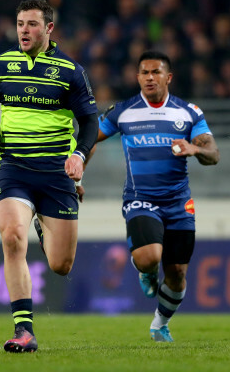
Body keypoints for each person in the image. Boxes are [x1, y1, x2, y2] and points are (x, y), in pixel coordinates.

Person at [0, 0, 98, 353]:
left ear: (49, 29)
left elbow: (90, 122)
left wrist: (78, 155)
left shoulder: (70, 71)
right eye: (19, 24)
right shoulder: (0, 65)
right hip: (14, 168)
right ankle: (24, 331)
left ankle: (43, 224)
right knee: (13, 237)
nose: (24, 30)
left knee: (61, 265)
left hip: (56, 174)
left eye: (32, 24)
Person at [80, 50, 220, 342]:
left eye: (156, 72)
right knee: (149, 257)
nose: (149, 77)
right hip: (140, 198)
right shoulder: (124, 111)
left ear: (168, 77)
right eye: (144, 72)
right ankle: (145, 270)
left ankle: (160, 323)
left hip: (179, 202)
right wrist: (77, 174)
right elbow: (91, 139)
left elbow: (213, 154)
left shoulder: (189, 112)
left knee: (178, 273)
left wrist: (195, 149)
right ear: (137, 77)